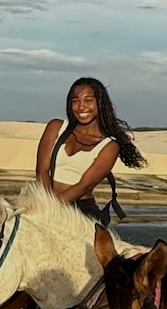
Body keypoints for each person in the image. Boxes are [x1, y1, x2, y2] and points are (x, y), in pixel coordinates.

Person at [36, 76, 146, 221]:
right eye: (75, 101)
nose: (81, 106)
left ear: (100, 103)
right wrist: (44, 205)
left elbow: (84, 186)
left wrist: (51, 209)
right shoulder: (56, 127)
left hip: (80, 212)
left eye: (88, 100)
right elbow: (41, 170)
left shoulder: (109, 146)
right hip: (43, 203)